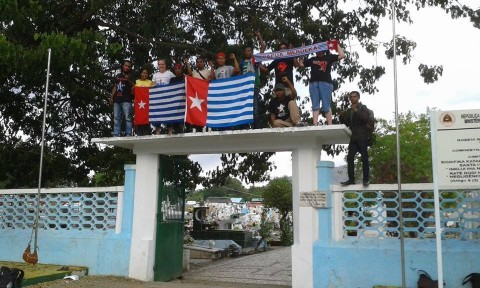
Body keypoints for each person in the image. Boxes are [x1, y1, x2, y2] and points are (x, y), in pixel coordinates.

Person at [298, 42, 345, 125]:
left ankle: (330, 124)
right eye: (316, 50)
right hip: (313, 83)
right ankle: (315, 124)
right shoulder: (312, 59)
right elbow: (301, 64)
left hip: (326, 83)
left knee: (326, 105)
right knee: (315, 105)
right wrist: (302, 51)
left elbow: (342, 55)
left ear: (323, 50)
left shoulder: (329, 57)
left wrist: (336, 45)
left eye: (320, 49)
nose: (318, 51)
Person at [340, 91, 370, 187]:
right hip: (353, 138)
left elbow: (365, 119)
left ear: (358, 97)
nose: (353, 98)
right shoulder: (350, 110)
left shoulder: (363, 108)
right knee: (350, 158)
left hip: (362, 137)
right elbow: (347, 123)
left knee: (364, 158)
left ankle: (366, 179)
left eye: (355, 96)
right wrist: (341, 116)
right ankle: (351, 180)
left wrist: (356, 110)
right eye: (351, 97)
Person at [240, 31, 266, 128]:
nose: (247, 52)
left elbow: (263, 47)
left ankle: (256, 127)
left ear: (252, 52)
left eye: (249, 51)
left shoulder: (256, 59)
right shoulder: (242, 62)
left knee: (255, 106)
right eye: (246, 51)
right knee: (245, 107)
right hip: (244, 87)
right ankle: (245, 126)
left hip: (254, 85)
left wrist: (259, 35)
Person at [110, 60, 134, 137]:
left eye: (128, 66)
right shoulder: (118, 75)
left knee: (128, 118)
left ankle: (128, 134)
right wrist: (111, 97)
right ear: (123, 66)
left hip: (127, 99)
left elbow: (134, 86)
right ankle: (116, 134)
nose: (127, 67)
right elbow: (115, 86)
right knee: (116, 118)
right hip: (117, 99)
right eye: (125, 65)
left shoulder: (131, 76)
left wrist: (128, 80)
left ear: (130, 68)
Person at [152, 59, 175, 134]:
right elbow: (152, 85)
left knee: (169, 113)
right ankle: (157, 130)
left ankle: (170, 130)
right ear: (158, 65)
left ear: (165, 65)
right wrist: (153, 85)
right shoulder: (155, 75)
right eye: (160, 64)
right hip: (158, 98)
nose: (161, 66)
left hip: (167, 97)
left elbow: (175, 83)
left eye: (163, 64)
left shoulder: (170, 73)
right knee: (157, 113)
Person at [134, 67, 154, 136]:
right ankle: (138, 133)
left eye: (146, 73)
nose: (145, 74)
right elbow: (133, 91)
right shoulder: (137, 82)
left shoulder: (150, 82)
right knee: (139, 120)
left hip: (148, 105)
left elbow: (155, 90)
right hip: (139, 105)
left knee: (147, 121)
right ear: (140, 74)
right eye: (143, 73)